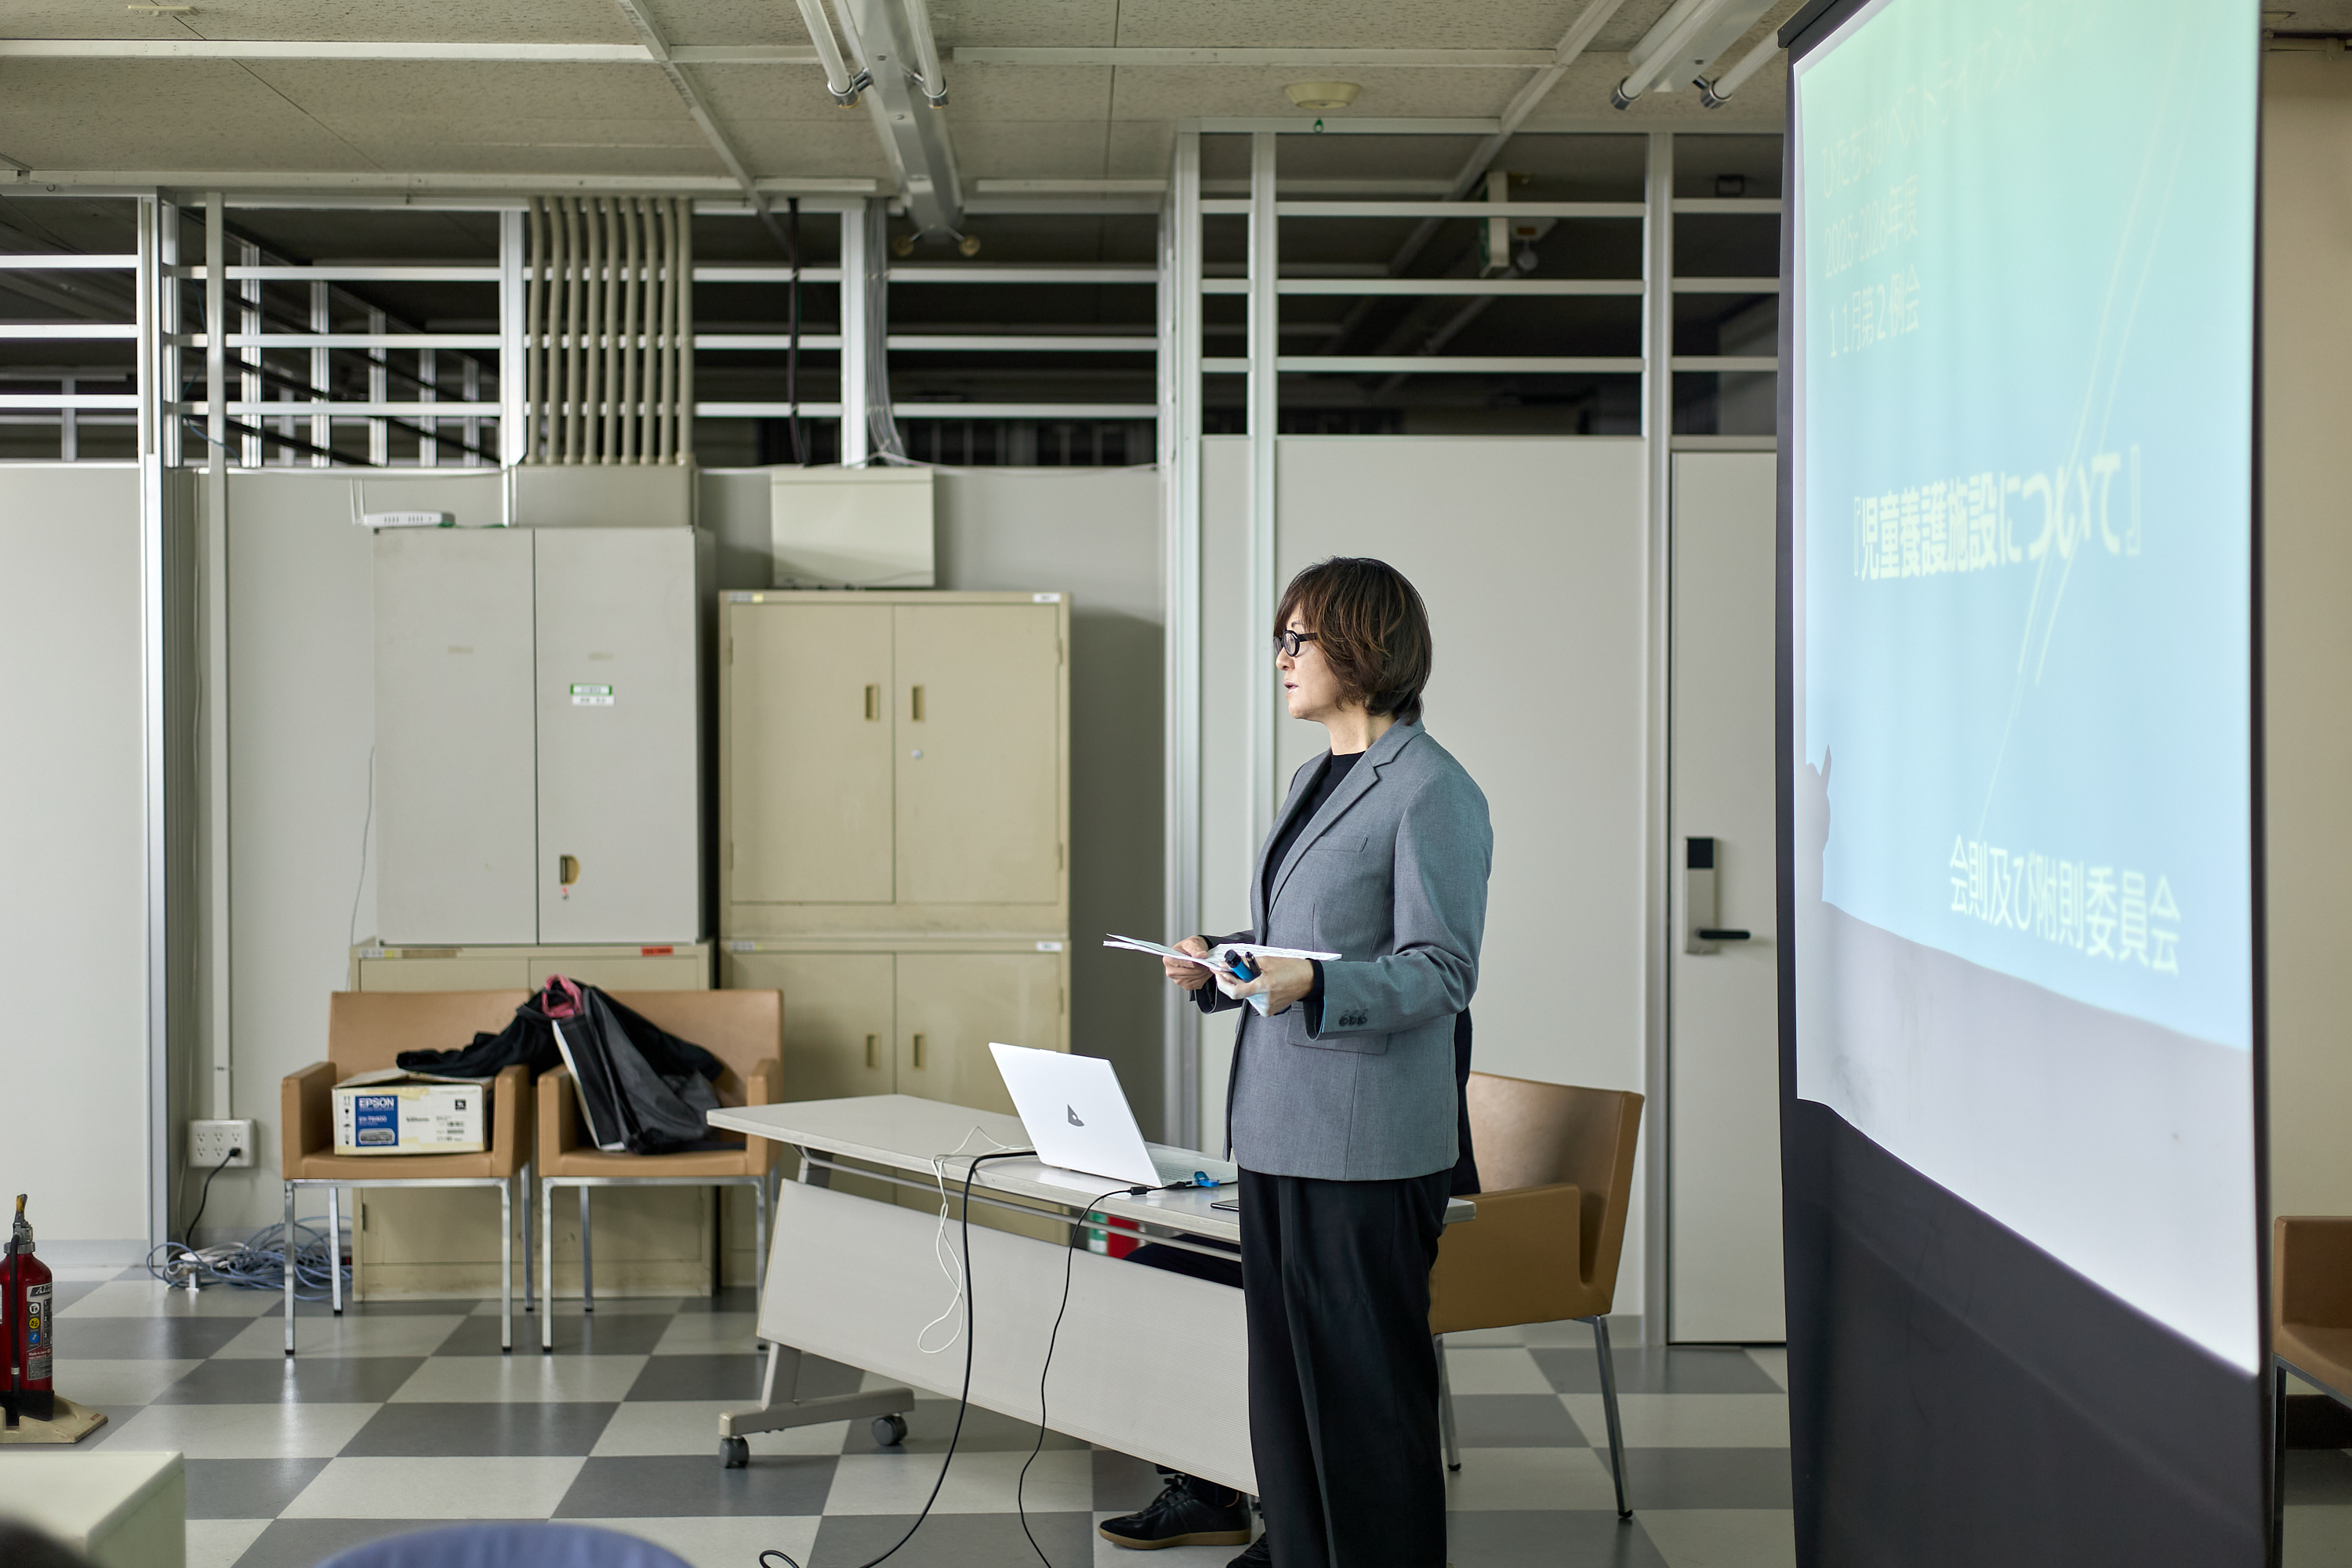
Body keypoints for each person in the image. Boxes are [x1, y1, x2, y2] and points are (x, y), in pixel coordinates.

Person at [1098, 557, 1490, 1568]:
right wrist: (1226, 958)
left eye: (1296, 639)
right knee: (1284, 1392)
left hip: (1367, 1148)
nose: (1280, 657)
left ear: (1363, 646)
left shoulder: (1433, 790)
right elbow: (1313, 941)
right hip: (1279, 1129)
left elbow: (1442, 972)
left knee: (1364, 1402)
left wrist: (1309, 982)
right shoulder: (1314, 779)